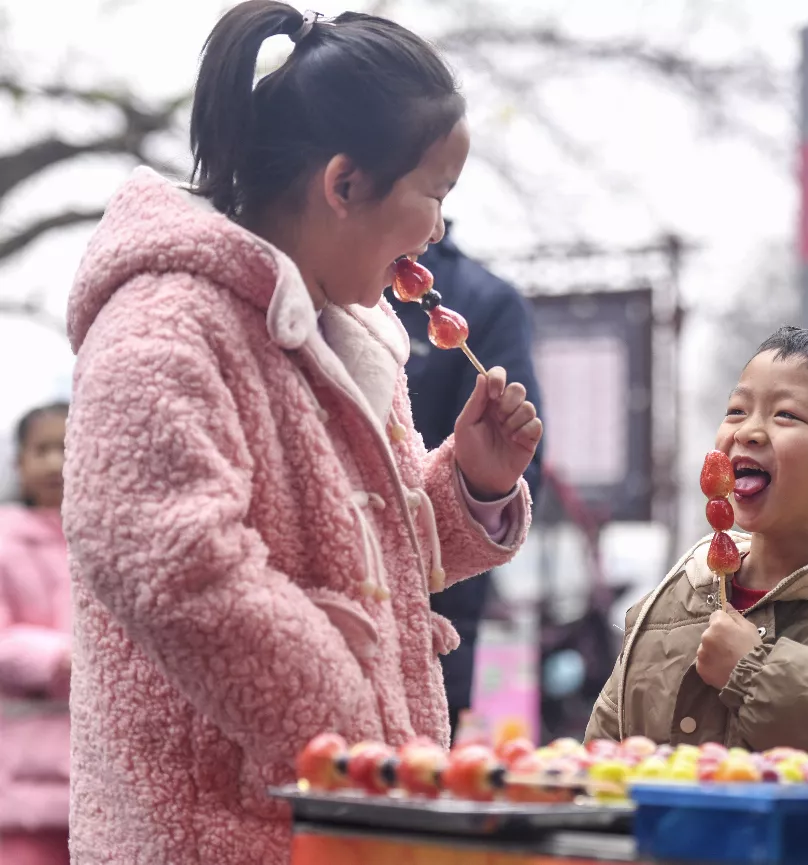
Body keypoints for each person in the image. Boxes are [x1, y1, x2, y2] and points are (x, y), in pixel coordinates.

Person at [62, 3, 542, 864]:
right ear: (346, 183)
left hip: (334, 823)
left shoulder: (346, 335)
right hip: (214, 836)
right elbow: (174, 568)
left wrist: (472, 484)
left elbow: (363, 557)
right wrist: (363, 749)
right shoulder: (164, 324)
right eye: (434, 192)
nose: (437, 229)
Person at [586, 327, 808, 749]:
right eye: (737, 411)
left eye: (786, 416)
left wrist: (752, 669)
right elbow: (604, 748)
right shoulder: (673, 598)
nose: (747, 432)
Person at [388, 224, 544, 734]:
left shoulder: (481, 299)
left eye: (442, 192)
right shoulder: (331, 298)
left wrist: (479, 486)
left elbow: (519, 456)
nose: (431, 226)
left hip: (435, 627)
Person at [0, 403, 71, 865]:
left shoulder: (110, 539)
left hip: (99, 770)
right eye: (40, 450)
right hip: (19, 774)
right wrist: (62, 660)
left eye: (65, 447)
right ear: (18, 464)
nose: (53, 463)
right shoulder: (4, 538)